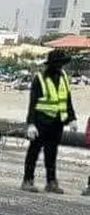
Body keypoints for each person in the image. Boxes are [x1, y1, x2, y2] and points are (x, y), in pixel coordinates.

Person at [22, 48, 77, 193]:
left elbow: (67, 100)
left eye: (62, 64)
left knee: (52, 153)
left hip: (57, 122)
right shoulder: (40, 78)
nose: (60, 67)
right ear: (51, 64)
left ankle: (51, 182)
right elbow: (33, 103)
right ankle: (28, 180)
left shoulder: (64, 76)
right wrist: (31, 124)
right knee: (34, 151)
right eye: (58, 64)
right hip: (40, 122)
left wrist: (72, 118)